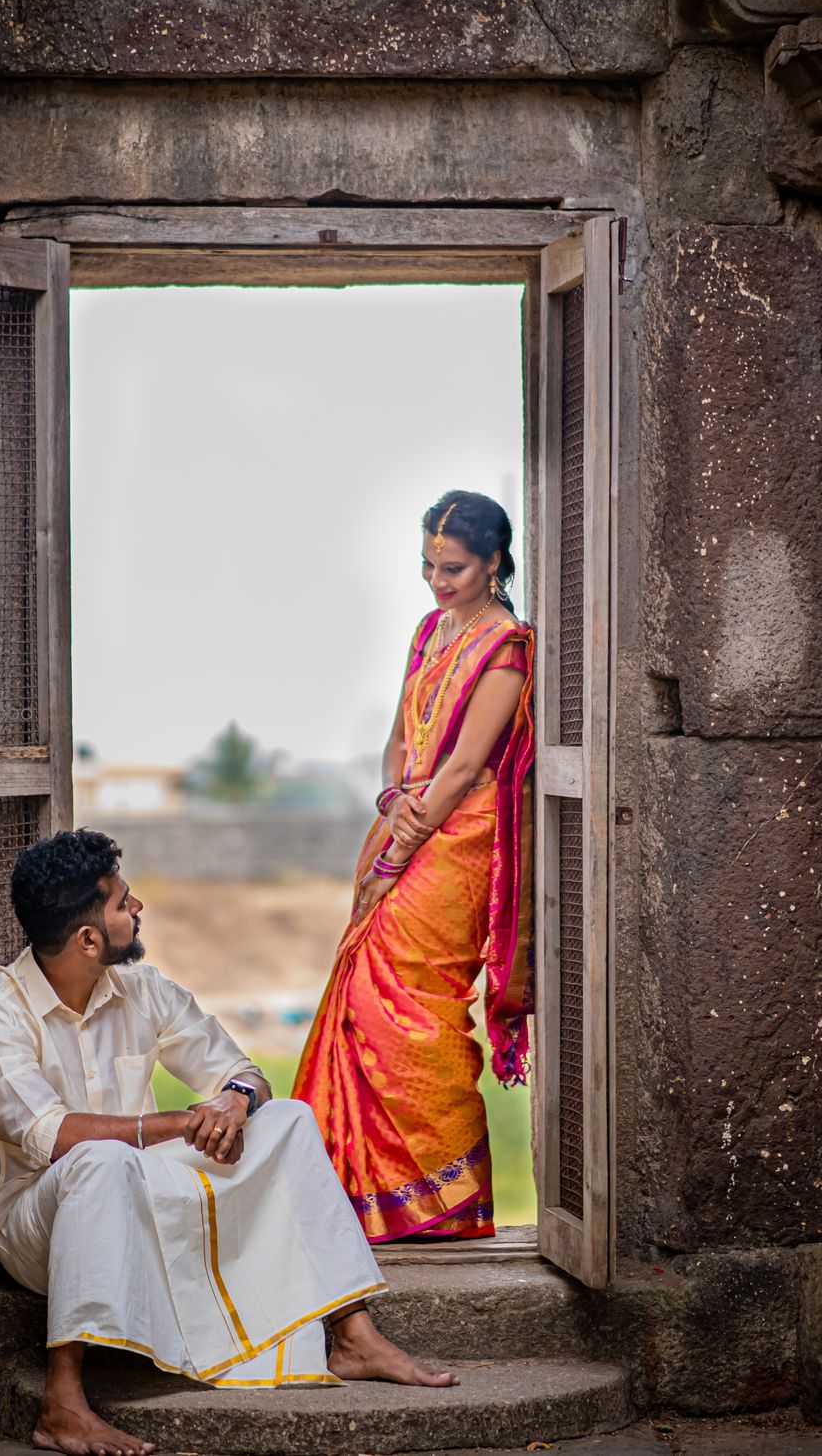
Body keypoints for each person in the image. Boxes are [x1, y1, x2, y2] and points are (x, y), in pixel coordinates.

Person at [0, 830, 458, 1456]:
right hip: (37, 1225)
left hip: (139, 1188)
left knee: (290, 1119)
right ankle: (63, 1403)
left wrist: (234, 1101)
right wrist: (177, 1124)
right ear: (88, 939)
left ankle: (353, 1334)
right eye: (123, 902)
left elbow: (245, 1071)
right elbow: (53, 1135)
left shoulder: (145, 989)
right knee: (96, 1159)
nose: (137, 909)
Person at [293, 490, 535, 1243]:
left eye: (454, 568)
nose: (438, 582)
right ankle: (368, 1199)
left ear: (494, 561)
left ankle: (443, 1203)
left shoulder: (505, 649)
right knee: (361, 995)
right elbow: (403, 738)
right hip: (407, 817)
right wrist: (393, 796)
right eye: (428, 566)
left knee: (413, 1006)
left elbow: (464, 768)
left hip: (460, 838)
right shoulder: (431, 629)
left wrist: (400, 849)